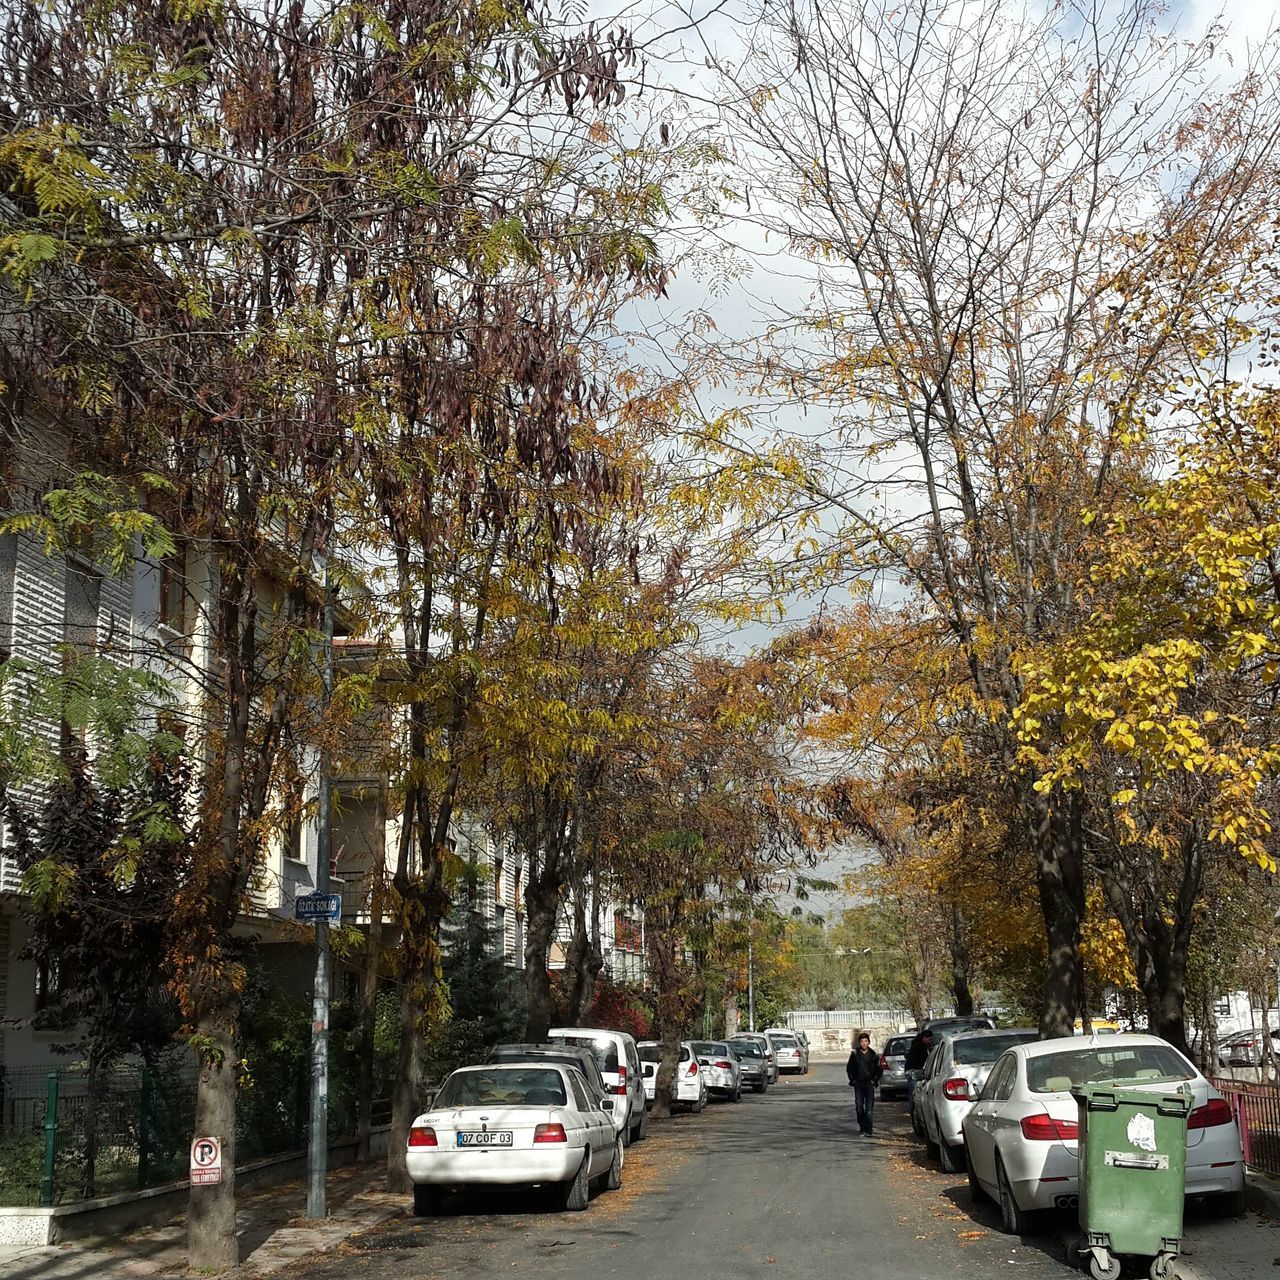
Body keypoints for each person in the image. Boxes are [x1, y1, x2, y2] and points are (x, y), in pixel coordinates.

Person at [846, 1032, 883, 1136]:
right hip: (858, 1084)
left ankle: (869, 1129)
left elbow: (879, 1069)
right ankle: (862, 1127)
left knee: (869, 1108)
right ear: (859, 1043)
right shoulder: (855, 1054)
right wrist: (852, 1080)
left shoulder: (873, 1055)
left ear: (869, 1042)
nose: (864, 1043)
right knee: (859, 1106)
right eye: (862, 1041)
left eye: (866, 1041)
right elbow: (849, 1068)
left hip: (869, 1084)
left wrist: (874, 1080)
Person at [903, 1026, 934, 1110]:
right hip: (914, 1073)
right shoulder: (919, 1047)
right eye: (929, 1040)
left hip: (914, 1072)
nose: (930, 1042)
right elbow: (923, 1061)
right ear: (924, 1038)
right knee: (914, 1094)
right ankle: (913, 1110)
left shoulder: (920, 1045)